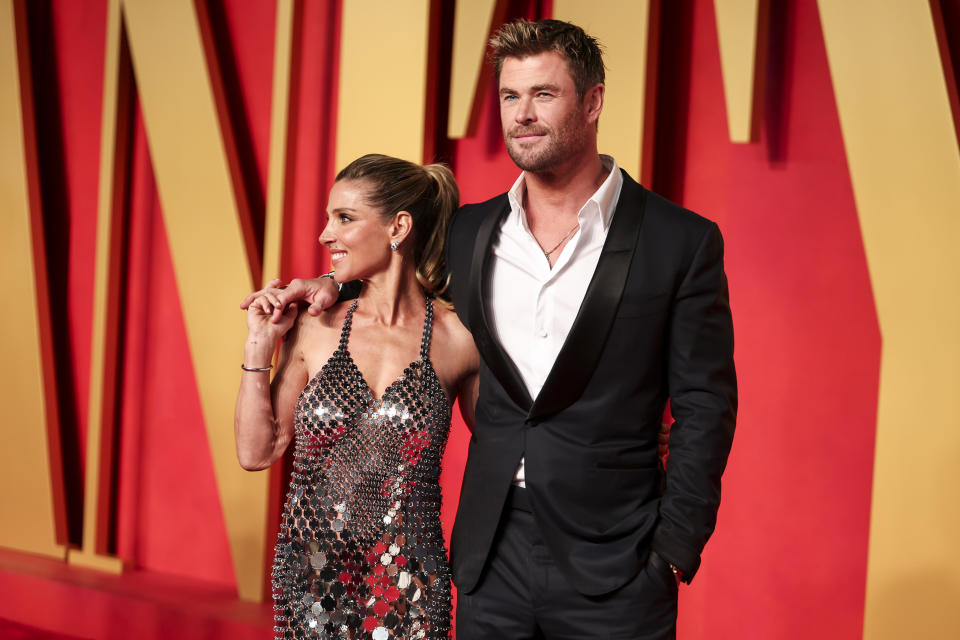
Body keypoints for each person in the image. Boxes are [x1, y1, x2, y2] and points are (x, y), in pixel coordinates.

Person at [245, 19, 737, 640]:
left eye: (544, 94)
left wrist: (673, 547)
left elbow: (705, 405)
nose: (522, 114)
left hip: (619, 560)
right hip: (488, 556)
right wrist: (331, 287)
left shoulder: (679, 241)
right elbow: (391, 271)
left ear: (594, 102)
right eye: (510, 96)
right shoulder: (469, 233)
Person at [235, 154, 480, 640]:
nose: (325, 234)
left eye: (344, 218)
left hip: (409, 585)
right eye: (328, 218)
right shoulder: (314, 327)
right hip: (312, 578)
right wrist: (260, 345)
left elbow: (505, 446)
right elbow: (256, 452)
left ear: (399, 226)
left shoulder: (459, 339)